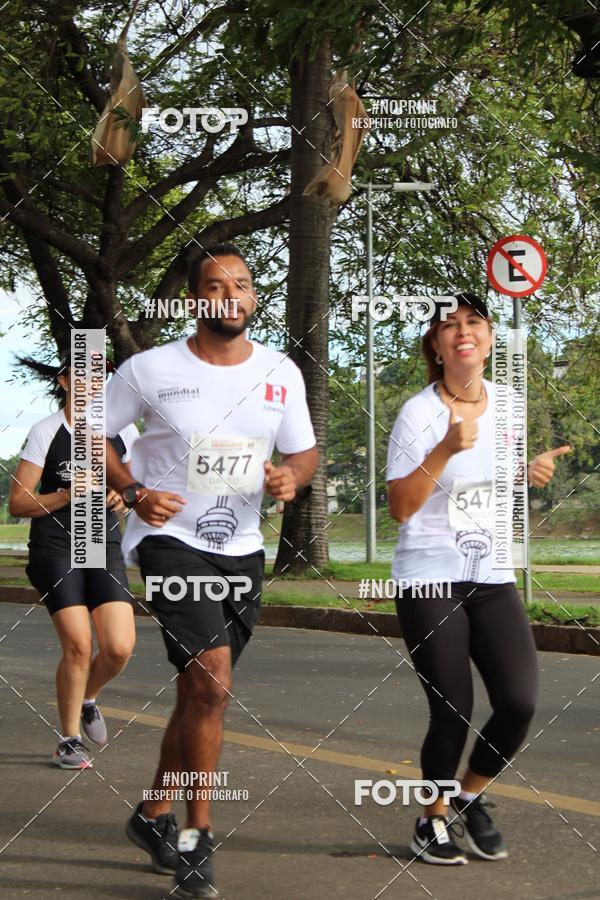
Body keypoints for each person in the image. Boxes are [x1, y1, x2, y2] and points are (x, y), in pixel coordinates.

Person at [104, 243, 319, 898]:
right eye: (215, 285)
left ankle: (153, 812)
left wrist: (291, 478)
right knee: (212, 680)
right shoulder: (149, 369)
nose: (231, 295)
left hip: (244, 548)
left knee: (201, 691)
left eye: (243, 285)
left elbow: (304, 452)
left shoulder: (281, 372)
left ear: (253, 299)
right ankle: (197, 836)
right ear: (195, 299)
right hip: (169, 538)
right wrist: (136, 491)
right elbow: (93, 433)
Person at [386, 293, 570, 865]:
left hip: (490, 574)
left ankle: (469, 796)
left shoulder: (509, 404)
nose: (463, 332)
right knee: (454, 708)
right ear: (436, 348)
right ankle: (430, 819)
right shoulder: (419, 413)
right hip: (429, 576)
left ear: (489, 339)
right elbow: (400, 506)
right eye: (449, 326)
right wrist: (443, 447)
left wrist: (528, 473)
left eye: (474, 323)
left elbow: (493, 482)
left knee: (518, 701)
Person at [10, 354, 138, 769]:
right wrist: (66, 494)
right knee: (80, 643)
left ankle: (87, 697)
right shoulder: (47, 431)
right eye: (83, 377)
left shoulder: (122, 432)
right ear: (65, 382)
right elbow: (18, 502)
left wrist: (124, 494)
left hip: (102, 544)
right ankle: (68, 740)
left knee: (118, 648)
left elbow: (138, 487)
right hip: (55, 546)